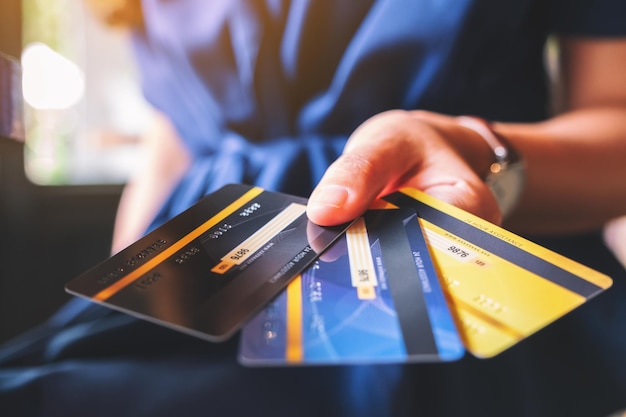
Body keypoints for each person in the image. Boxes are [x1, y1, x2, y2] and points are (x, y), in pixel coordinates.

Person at [1, 0, 626, 416]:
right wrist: (128, 285)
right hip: (203, 278)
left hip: (442, 282)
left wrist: (474, 148)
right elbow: (177, 141)